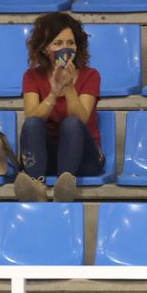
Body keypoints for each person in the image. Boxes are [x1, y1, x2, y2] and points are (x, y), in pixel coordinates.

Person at [15, 12, 102, 203]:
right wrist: (54, 94)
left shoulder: (91, 75)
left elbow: (82, 118)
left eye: (70, 43)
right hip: (47, 157)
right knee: (32, 124)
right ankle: (36, 187)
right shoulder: (32, 76)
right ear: (45, 48)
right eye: (58, 43)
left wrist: (69, 87)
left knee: (71, 123)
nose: (66, 49)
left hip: (83, 158)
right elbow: (31, 116)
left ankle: (65, 186)